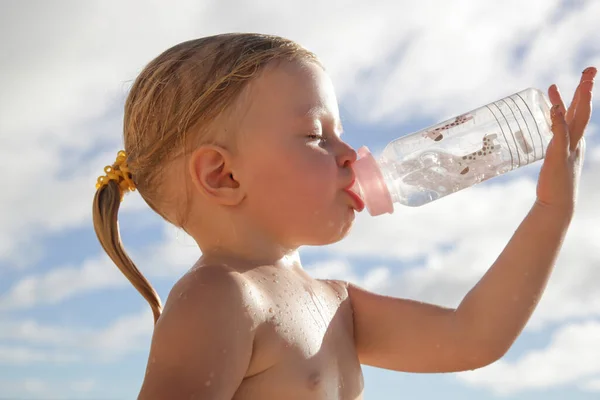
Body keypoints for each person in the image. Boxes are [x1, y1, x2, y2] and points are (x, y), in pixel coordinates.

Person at [92, 33, 596, 399]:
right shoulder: (220, 296)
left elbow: (473, 336)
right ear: (224, 176)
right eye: (316, 136)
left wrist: (552, 209)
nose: (352, 153)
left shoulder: (337, 304)